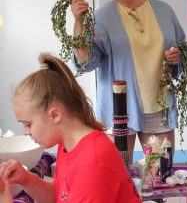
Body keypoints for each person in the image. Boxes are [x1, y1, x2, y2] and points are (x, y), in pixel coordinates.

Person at [71, 0, 185, 163]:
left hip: (158, 107)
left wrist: (178, 59)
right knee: (118, 173)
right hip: (119, 110)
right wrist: (78, 22)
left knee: (159, 174)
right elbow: (86, 61)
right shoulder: (102, 17)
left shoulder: (164, 11)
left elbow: (183, 53)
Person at [0, 53, 141, 203]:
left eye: (28, 124)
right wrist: (26, 179)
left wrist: (4, 197)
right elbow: (60, 196)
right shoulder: (68, 145)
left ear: (54, 115)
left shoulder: (92, 163)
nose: (25, 132)